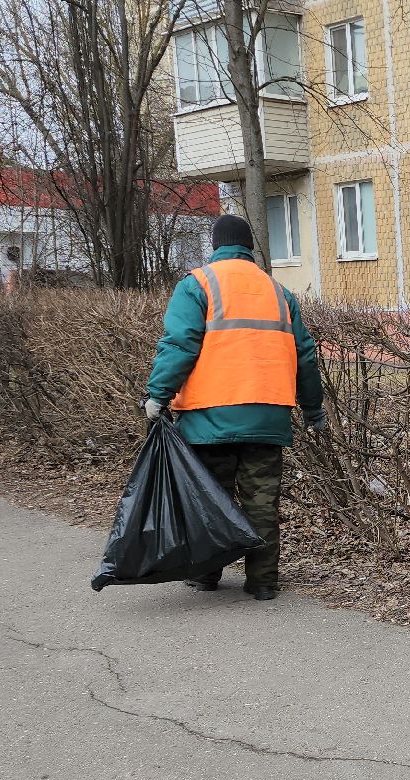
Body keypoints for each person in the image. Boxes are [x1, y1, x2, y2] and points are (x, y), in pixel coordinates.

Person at [144, 214, 326, 601]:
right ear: (250, 247)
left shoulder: (198, 285)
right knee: (262, 502)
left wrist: (158, 395)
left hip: (209, 417)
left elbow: (179, 345)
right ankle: (262, 582)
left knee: (211, 499)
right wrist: (314, 412)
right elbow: (305, 356)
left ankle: (207, 576)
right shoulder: (278, 291)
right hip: (268, 414)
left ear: (215, 245)